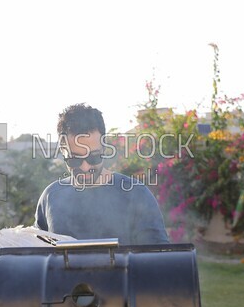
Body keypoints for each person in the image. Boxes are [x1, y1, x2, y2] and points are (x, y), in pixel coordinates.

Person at [35, 103, 170, 245]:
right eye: (75, 159)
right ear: (62, 151)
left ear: (104, 148)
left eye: (93, 157)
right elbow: (38, 257)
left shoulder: (136, 194)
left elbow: (159, 259)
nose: (85, 167)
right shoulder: (50, 198)